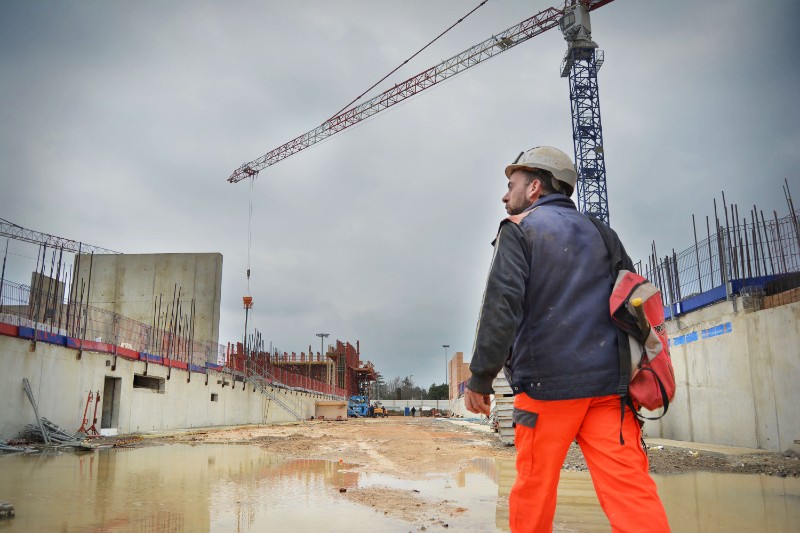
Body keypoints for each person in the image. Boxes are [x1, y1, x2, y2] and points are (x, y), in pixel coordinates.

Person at [464, 146, 670, 532]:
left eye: (512, 186)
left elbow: (501, 307)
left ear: (536, 187)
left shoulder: (519, 230)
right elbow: (631, 303)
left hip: (545, 392)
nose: (505, 195)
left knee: (533, 491)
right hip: (608, 390)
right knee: (630, 491)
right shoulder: (603, 233)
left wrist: (481, 377)